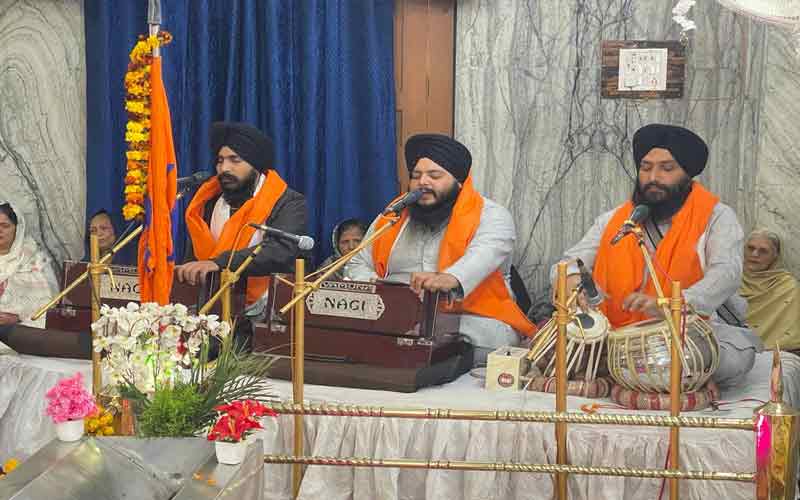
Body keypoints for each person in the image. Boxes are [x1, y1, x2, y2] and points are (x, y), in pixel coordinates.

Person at [552, 124, 761, 387]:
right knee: (558, 346)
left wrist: (672, 305)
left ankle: (627, 371)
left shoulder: (716, 216)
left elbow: (726, 273)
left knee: (733, 358)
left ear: (687, 173)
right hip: (616, 335)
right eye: (646, 167)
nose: (653, 177)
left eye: (667, 168)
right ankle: (634, 369)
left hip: (687, 332)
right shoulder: (617, 219)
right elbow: (569, 261)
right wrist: (571, 279)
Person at [347, 133, 537, 364]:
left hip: (470, 321)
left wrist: (449, 277)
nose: (423, 182)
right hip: (397, 320)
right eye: (416, 176)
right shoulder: (392, 216)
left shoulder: (491, 215)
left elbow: (483, 255)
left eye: (434, 175)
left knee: (488, 338)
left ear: (459, 182)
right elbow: (357, 263)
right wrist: (381, 290)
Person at [176, 122, 307, 331]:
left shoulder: (288, 202)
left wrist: (219, 263)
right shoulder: (209, 201)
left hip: (265, 318)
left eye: (234, 160)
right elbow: (196, 258)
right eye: (220, 161)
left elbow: (279, 251)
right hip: (210, 313)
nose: (224, 168)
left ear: (255, 164)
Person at [0, 202, 59, 329]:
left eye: (5, 226)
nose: (0, 230)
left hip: (19, 334)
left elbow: (49, 305)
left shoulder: (34, 260)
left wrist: (19, 316)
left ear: (17, 228)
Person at [740, 229, 800, 352]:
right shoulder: (729, 278)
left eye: (763, 251)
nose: (755, 254)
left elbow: (790, 335)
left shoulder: (787, 287)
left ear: (775, 256)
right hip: (730, 349)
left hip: (776, 353)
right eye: (750, 248)